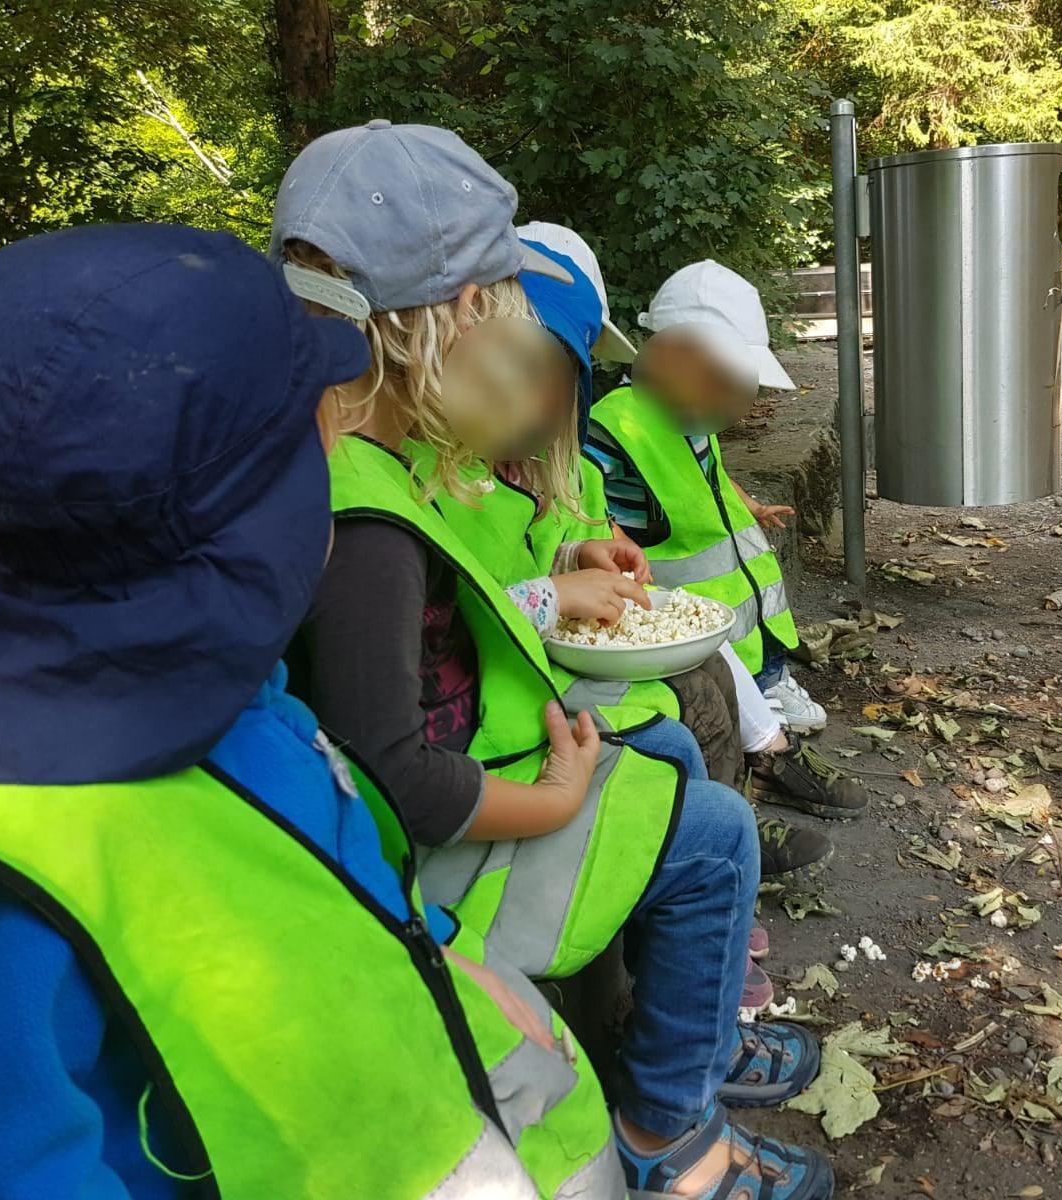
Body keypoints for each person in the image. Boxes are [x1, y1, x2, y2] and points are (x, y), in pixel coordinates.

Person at [0, 223, 621, 1198]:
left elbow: (343, 894)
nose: (339, 459)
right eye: (316, 438)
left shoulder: (251, 708)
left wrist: (456, 961)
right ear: (257, 525)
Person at [275, 120, 832, 1200]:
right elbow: (398, 774)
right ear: (441, 324)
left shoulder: (374, 459)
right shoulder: (366, 522)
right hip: (424, 865)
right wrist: (556, 796)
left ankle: (687, 1043)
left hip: (456, 790)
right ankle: (672, 1132)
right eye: (496, 305)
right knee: (710, 832)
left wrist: (566, 572)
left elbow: (461, 616)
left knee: (670, 744)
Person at [517, 224, 858, 878]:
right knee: (691, 707)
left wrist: (590, 548)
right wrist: (598, 546)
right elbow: (577, 521)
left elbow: (581, 519)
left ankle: (746, 797)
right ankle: (735, 816)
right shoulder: (606, 429)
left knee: (709, 685)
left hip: (661, 621)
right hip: (579, 650)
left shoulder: (667, 429)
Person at [585, 261, 828, 740]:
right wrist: (604, 527)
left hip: (741, 591)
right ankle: (756, 700)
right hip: (684, 597)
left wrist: (751, 505)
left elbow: (710, 473)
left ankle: (773, 680)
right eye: (718, 376)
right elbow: (581, 484)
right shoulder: (614, 420)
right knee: (723, 654)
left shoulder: (692, 416)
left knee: (758, 637)